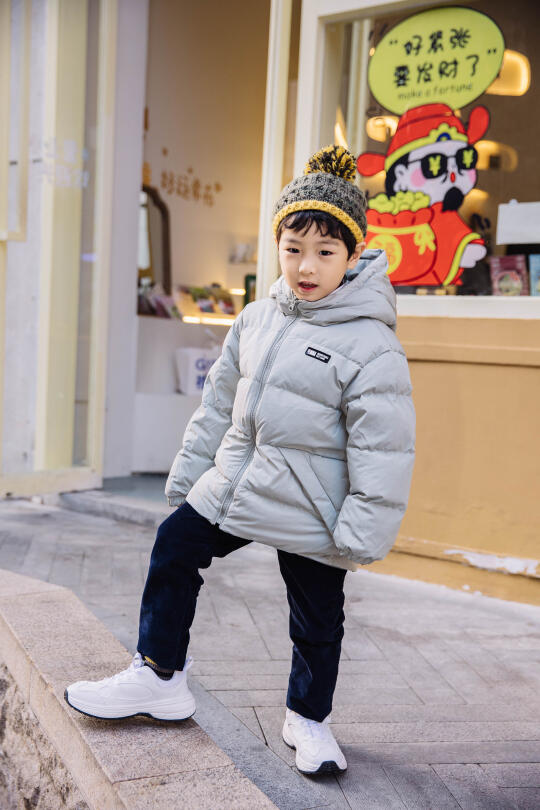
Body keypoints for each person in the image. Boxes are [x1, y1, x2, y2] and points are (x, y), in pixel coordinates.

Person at [65, 145, 416, 776]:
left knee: (316, 617)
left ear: (354, 254)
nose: (306, 266)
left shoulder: (372, 344)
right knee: (175, 546)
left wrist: (363, 528)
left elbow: (382, 447)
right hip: (236, 480)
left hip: (313, 502)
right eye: (293, 248)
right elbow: (217, 407)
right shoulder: (255, 319)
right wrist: (189, 475)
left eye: (325, 252)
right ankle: (159, 676)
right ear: (277, 245)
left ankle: (307, 718)